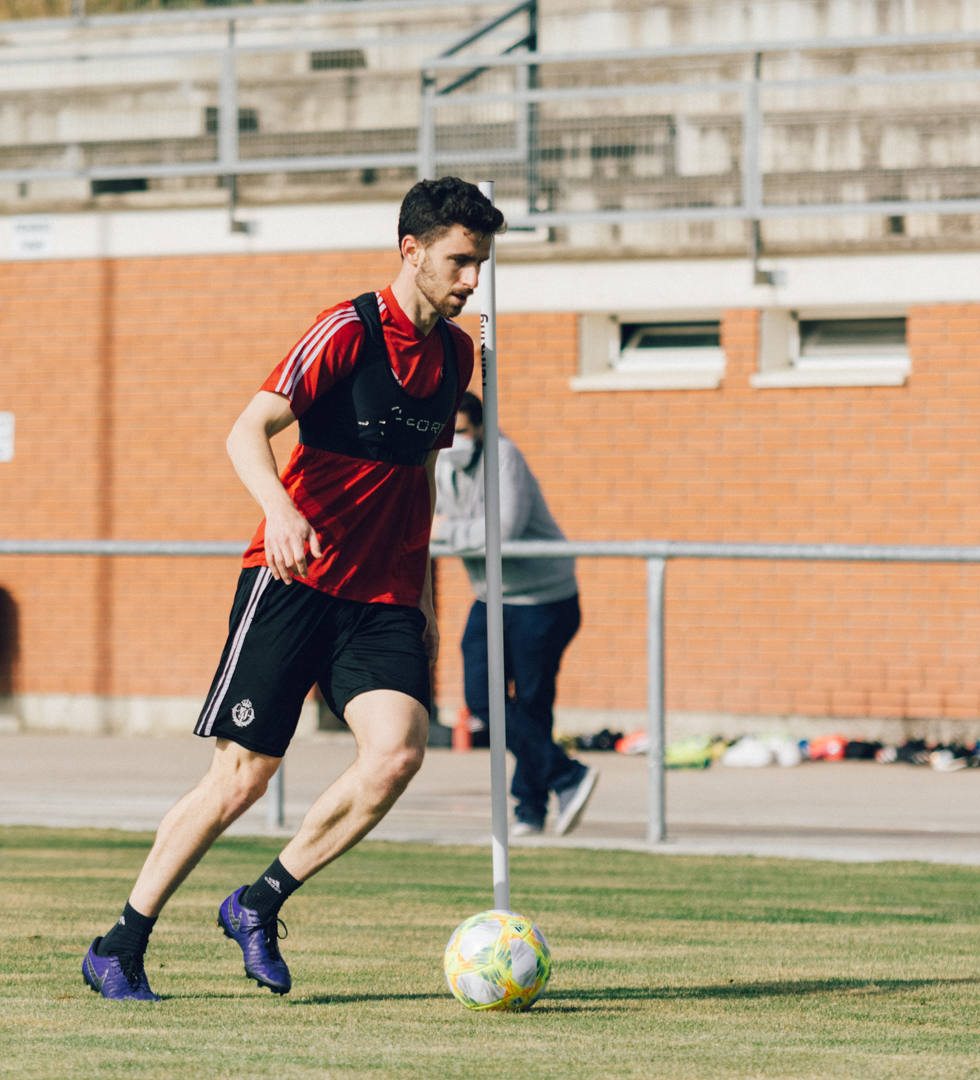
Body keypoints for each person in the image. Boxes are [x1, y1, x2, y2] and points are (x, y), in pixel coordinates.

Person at [81, 177, 505, 1002]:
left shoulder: (460, 354)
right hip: (293, 579)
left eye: (481, 266)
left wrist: (418, 592)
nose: (470, 282)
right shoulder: (346, 329)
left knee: (396, 753)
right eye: (459, 262)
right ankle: (120, 944)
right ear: (410, 250)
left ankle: (258, 901)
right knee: (242, 777)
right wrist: (277, 509)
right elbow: (247, 430)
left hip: (381, 596)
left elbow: (416, 475)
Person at [433, 392, 598, 839]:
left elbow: (502, 530)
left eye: (464, 433)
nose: (456, 442)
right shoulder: (440, 465)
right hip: (491, 598)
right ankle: (566, 777)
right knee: (481, 697)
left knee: (531, 703)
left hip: (543, 599)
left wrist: (446, 533)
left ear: (481, 428)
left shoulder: (504, 457)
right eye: (451, 433)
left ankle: (530, 806)